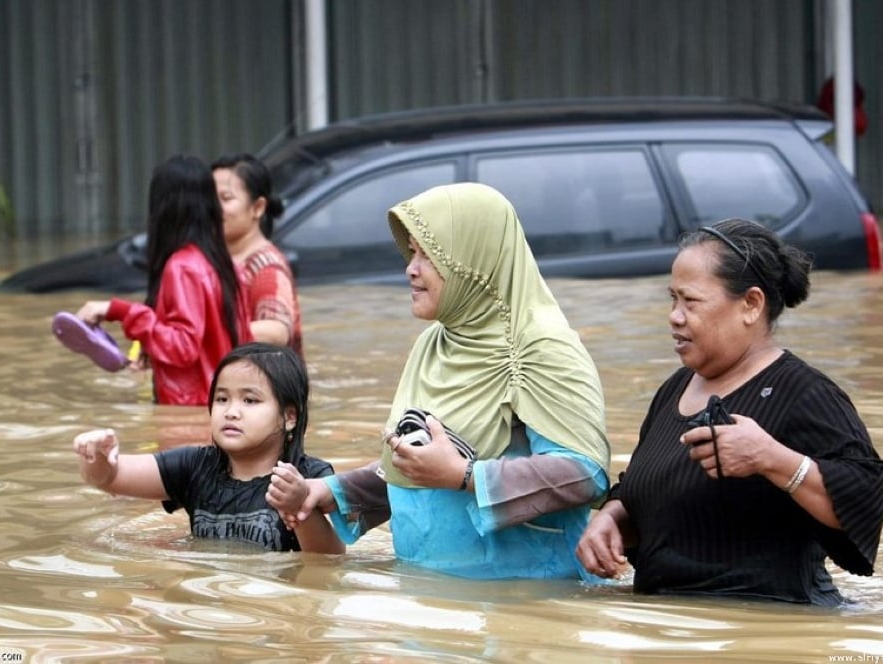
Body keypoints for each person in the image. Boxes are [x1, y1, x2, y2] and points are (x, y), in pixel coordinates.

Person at [274, 182, 611, 580]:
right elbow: (421, 465)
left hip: (522, 605)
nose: (410, 268)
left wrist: (467, 477)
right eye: (411, 252)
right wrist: (332, 491)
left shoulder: (541, 346)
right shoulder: (434, 344)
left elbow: (585, 473)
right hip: (428, 599)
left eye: (429, 254)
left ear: (473, 258)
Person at [575, 218, 883, 605]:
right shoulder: (675, 388)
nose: (674, 315)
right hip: (668, 629)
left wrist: (771, 458)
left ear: (751, 305)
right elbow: (649, 486)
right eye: (672, 299)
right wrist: (612, 518)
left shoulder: (804, 393)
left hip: (764, 629)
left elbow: (864, 500)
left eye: (691, 301)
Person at [73, 342, 344, 554]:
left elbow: (329, 558)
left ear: (289, 417)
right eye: (222, 398)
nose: (231, 412)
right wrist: (96, 456)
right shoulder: (195, 466)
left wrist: (299, 505)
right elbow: (110, 478)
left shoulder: (309, 476)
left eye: (250, 401)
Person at [76, 154, 252, 406]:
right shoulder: (225, 264)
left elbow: (182, 346)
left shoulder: (182, 267)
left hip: (190, 418)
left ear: (163, 208)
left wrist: (120, 311)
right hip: (225, 413)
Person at [212, 153, 303, 357]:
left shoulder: (267, 267)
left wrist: (203, 336)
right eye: (209, 198)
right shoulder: (212, 260)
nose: (213, 208)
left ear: (257, 207)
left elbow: (276, 331)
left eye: (225, 198)